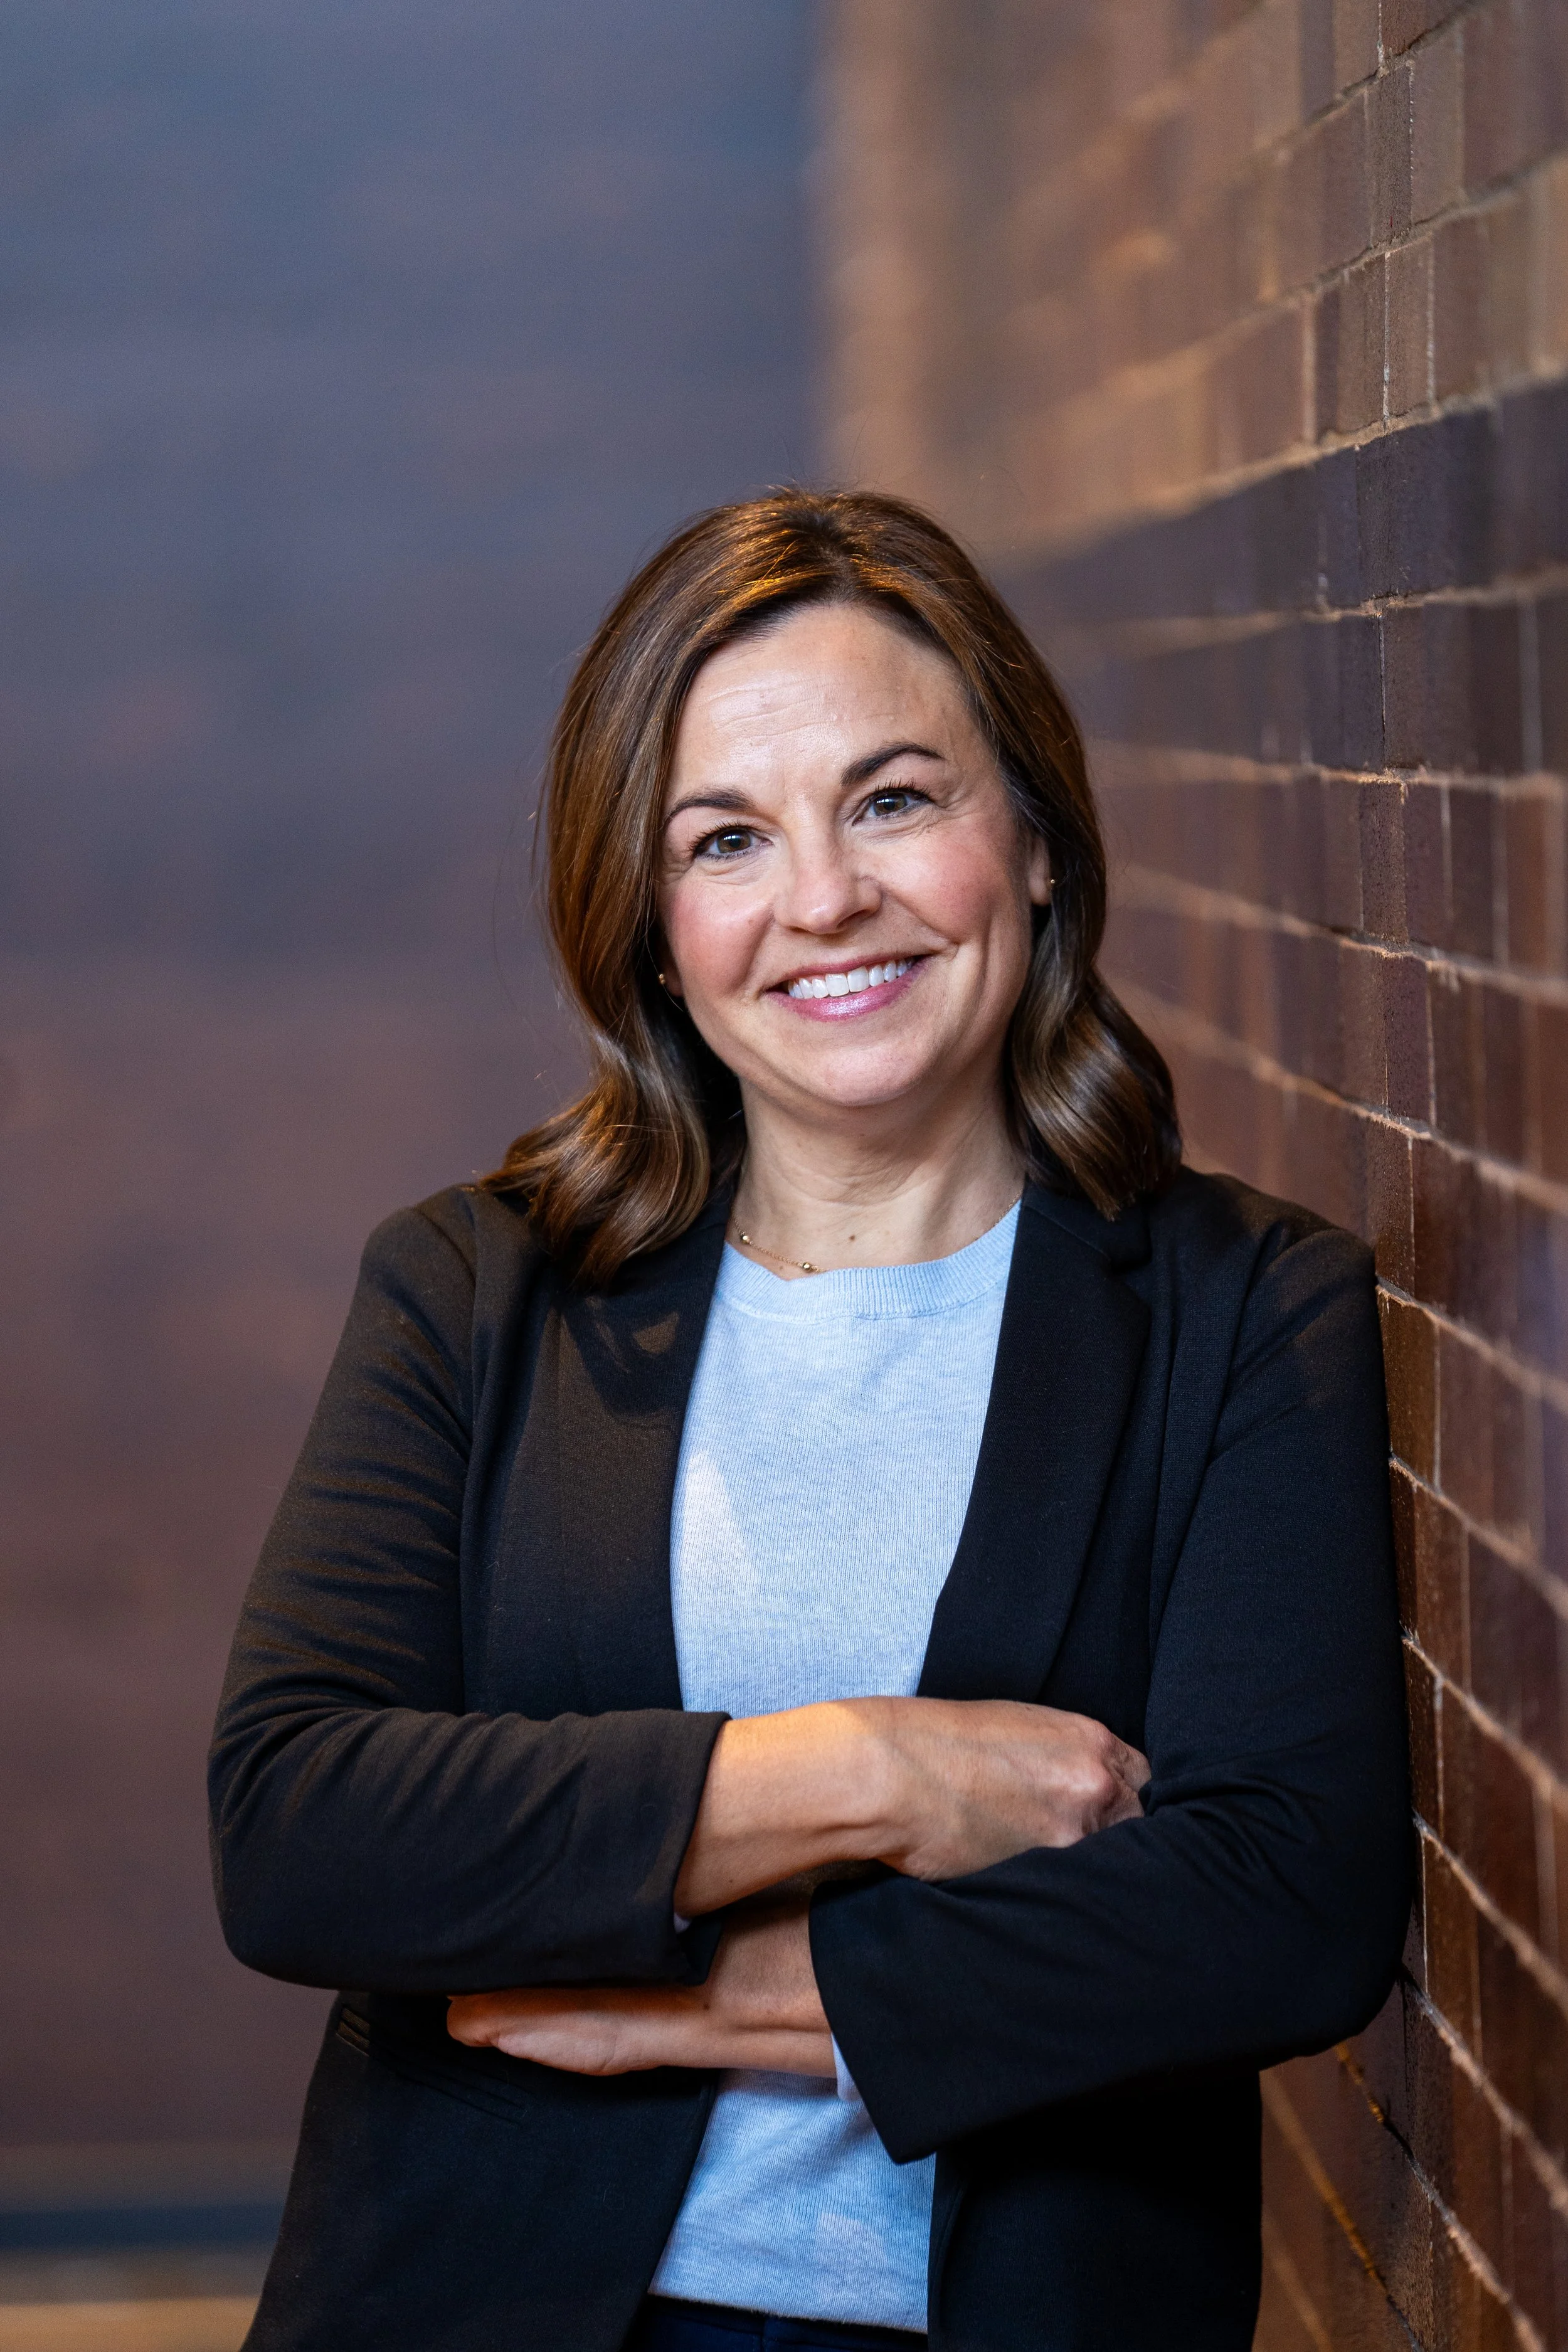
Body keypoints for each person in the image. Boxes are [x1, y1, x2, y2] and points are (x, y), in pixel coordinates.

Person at [209, 489, 1411, 2352]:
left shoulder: (1246, 1313)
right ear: (654, 929)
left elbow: (1279, 1900)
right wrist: (876, 1771)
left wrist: (706, 1994)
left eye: (894, 798)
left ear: (1027, 840)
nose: (821, 898)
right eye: (725, 838)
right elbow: (300, 1823)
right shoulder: (477, 1288)